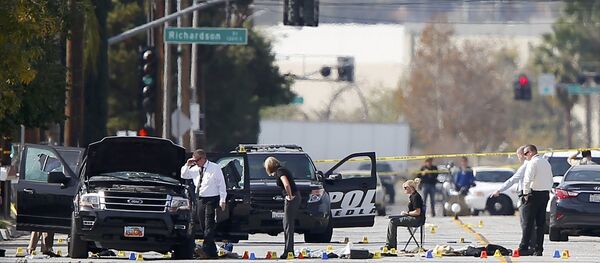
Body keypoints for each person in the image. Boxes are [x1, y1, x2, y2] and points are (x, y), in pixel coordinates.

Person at [181, 149, 227, 259]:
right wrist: (187, 164)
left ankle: (206, 249)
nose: (195, 163)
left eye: (197, 160)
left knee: (209, 224)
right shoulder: (194, 169)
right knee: (202, 225)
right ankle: (212, 252)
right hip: (200, 199)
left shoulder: (214, 168)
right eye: (194, 161)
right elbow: (184, 175)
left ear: (203, 159)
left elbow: (222, 184)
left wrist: (222, 199)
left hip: (212, 199)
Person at [492, 145, 535, 249]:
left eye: (518, 155)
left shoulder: (525, 166)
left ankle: (529, 245)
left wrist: (499, 190)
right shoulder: (530, 164)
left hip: (524, 196)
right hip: (530, 194)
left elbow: (512, 180)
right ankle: (532, 244)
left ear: (522, 154)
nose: (518, 158)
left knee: (525, 222)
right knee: (529, 222)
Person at [519, 144, 553, 256]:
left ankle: (523, 247)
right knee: (540, 224)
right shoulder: (546, 162)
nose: (524, 156)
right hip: (544, 194)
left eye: (525, 154)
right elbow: (550, 179)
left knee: (528, 223)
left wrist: (525, 194)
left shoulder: (532, 163)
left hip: (533, 195)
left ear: (531, 152)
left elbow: (527, 179)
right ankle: (539, 249)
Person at [264, 157, 300, 259]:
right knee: (286, 223)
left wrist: (289, 196)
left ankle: (289, 251)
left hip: (292, 197)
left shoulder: (280, 172)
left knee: (288, 225)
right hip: (294, 196)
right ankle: (288, 249)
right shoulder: (281, 170)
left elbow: (286, 184)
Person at [385, 178, 425, 250]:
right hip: (414, 218)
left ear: (411, 188)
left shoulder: (415, 197)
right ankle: (390, 245)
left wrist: (407, 213)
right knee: (392, 219)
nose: (404, 189)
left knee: (393, 222)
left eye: (405, 188)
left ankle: (391, 246)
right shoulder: (412, 196)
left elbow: (417, 212)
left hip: (417, 219)